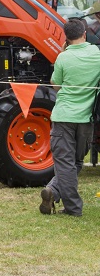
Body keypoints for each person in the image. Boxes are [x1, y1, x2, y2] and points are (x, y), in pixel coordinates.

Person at [39, 19, 100, 216]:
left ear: (66, 37)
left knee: (65, 163)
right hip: (86, 118)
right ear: (84, 33)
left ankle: (71, 206)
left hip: (64, 116)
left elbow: (56, 85)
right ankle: (53, 191)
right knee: (76, 162)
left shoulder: (63, 58)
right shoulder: (97, 54)